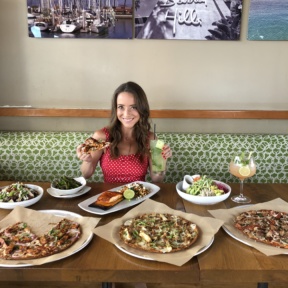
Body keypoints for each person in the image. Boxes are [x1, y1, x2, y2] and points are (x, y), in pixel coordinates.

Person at [76, 81, 172, 183]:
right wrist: (87, 161)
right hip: (110, 197)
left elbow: (157, 179)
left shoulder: (151, 138)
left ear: (142, 109)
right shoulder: (102, 136)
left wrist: (162, 162)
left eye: (134, 107)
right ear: (115, 109)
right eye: (121, 107)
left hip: (139, 196)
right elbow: (86, 175)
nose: (126, 114)